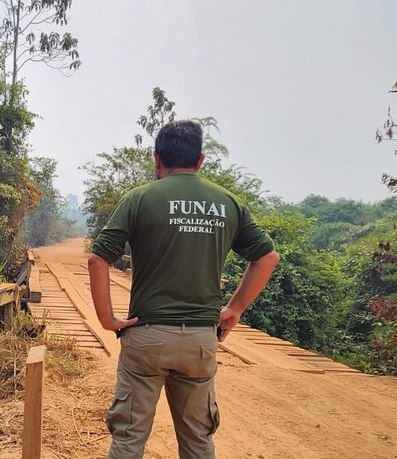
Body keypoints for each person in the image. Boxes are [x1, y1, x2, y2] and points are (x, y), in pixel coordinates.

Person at [88, 119, 280, 458]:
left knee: (129, 440)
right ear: (201, 160)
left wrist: (107, 319)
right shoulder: (228, 203)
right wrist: (234, 310)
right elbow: (266, 257)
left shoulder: (139, 199)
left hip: (146, 338)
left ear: (156, 159)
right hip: (200, 343)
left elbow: (98, 259)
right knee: (198, 441)